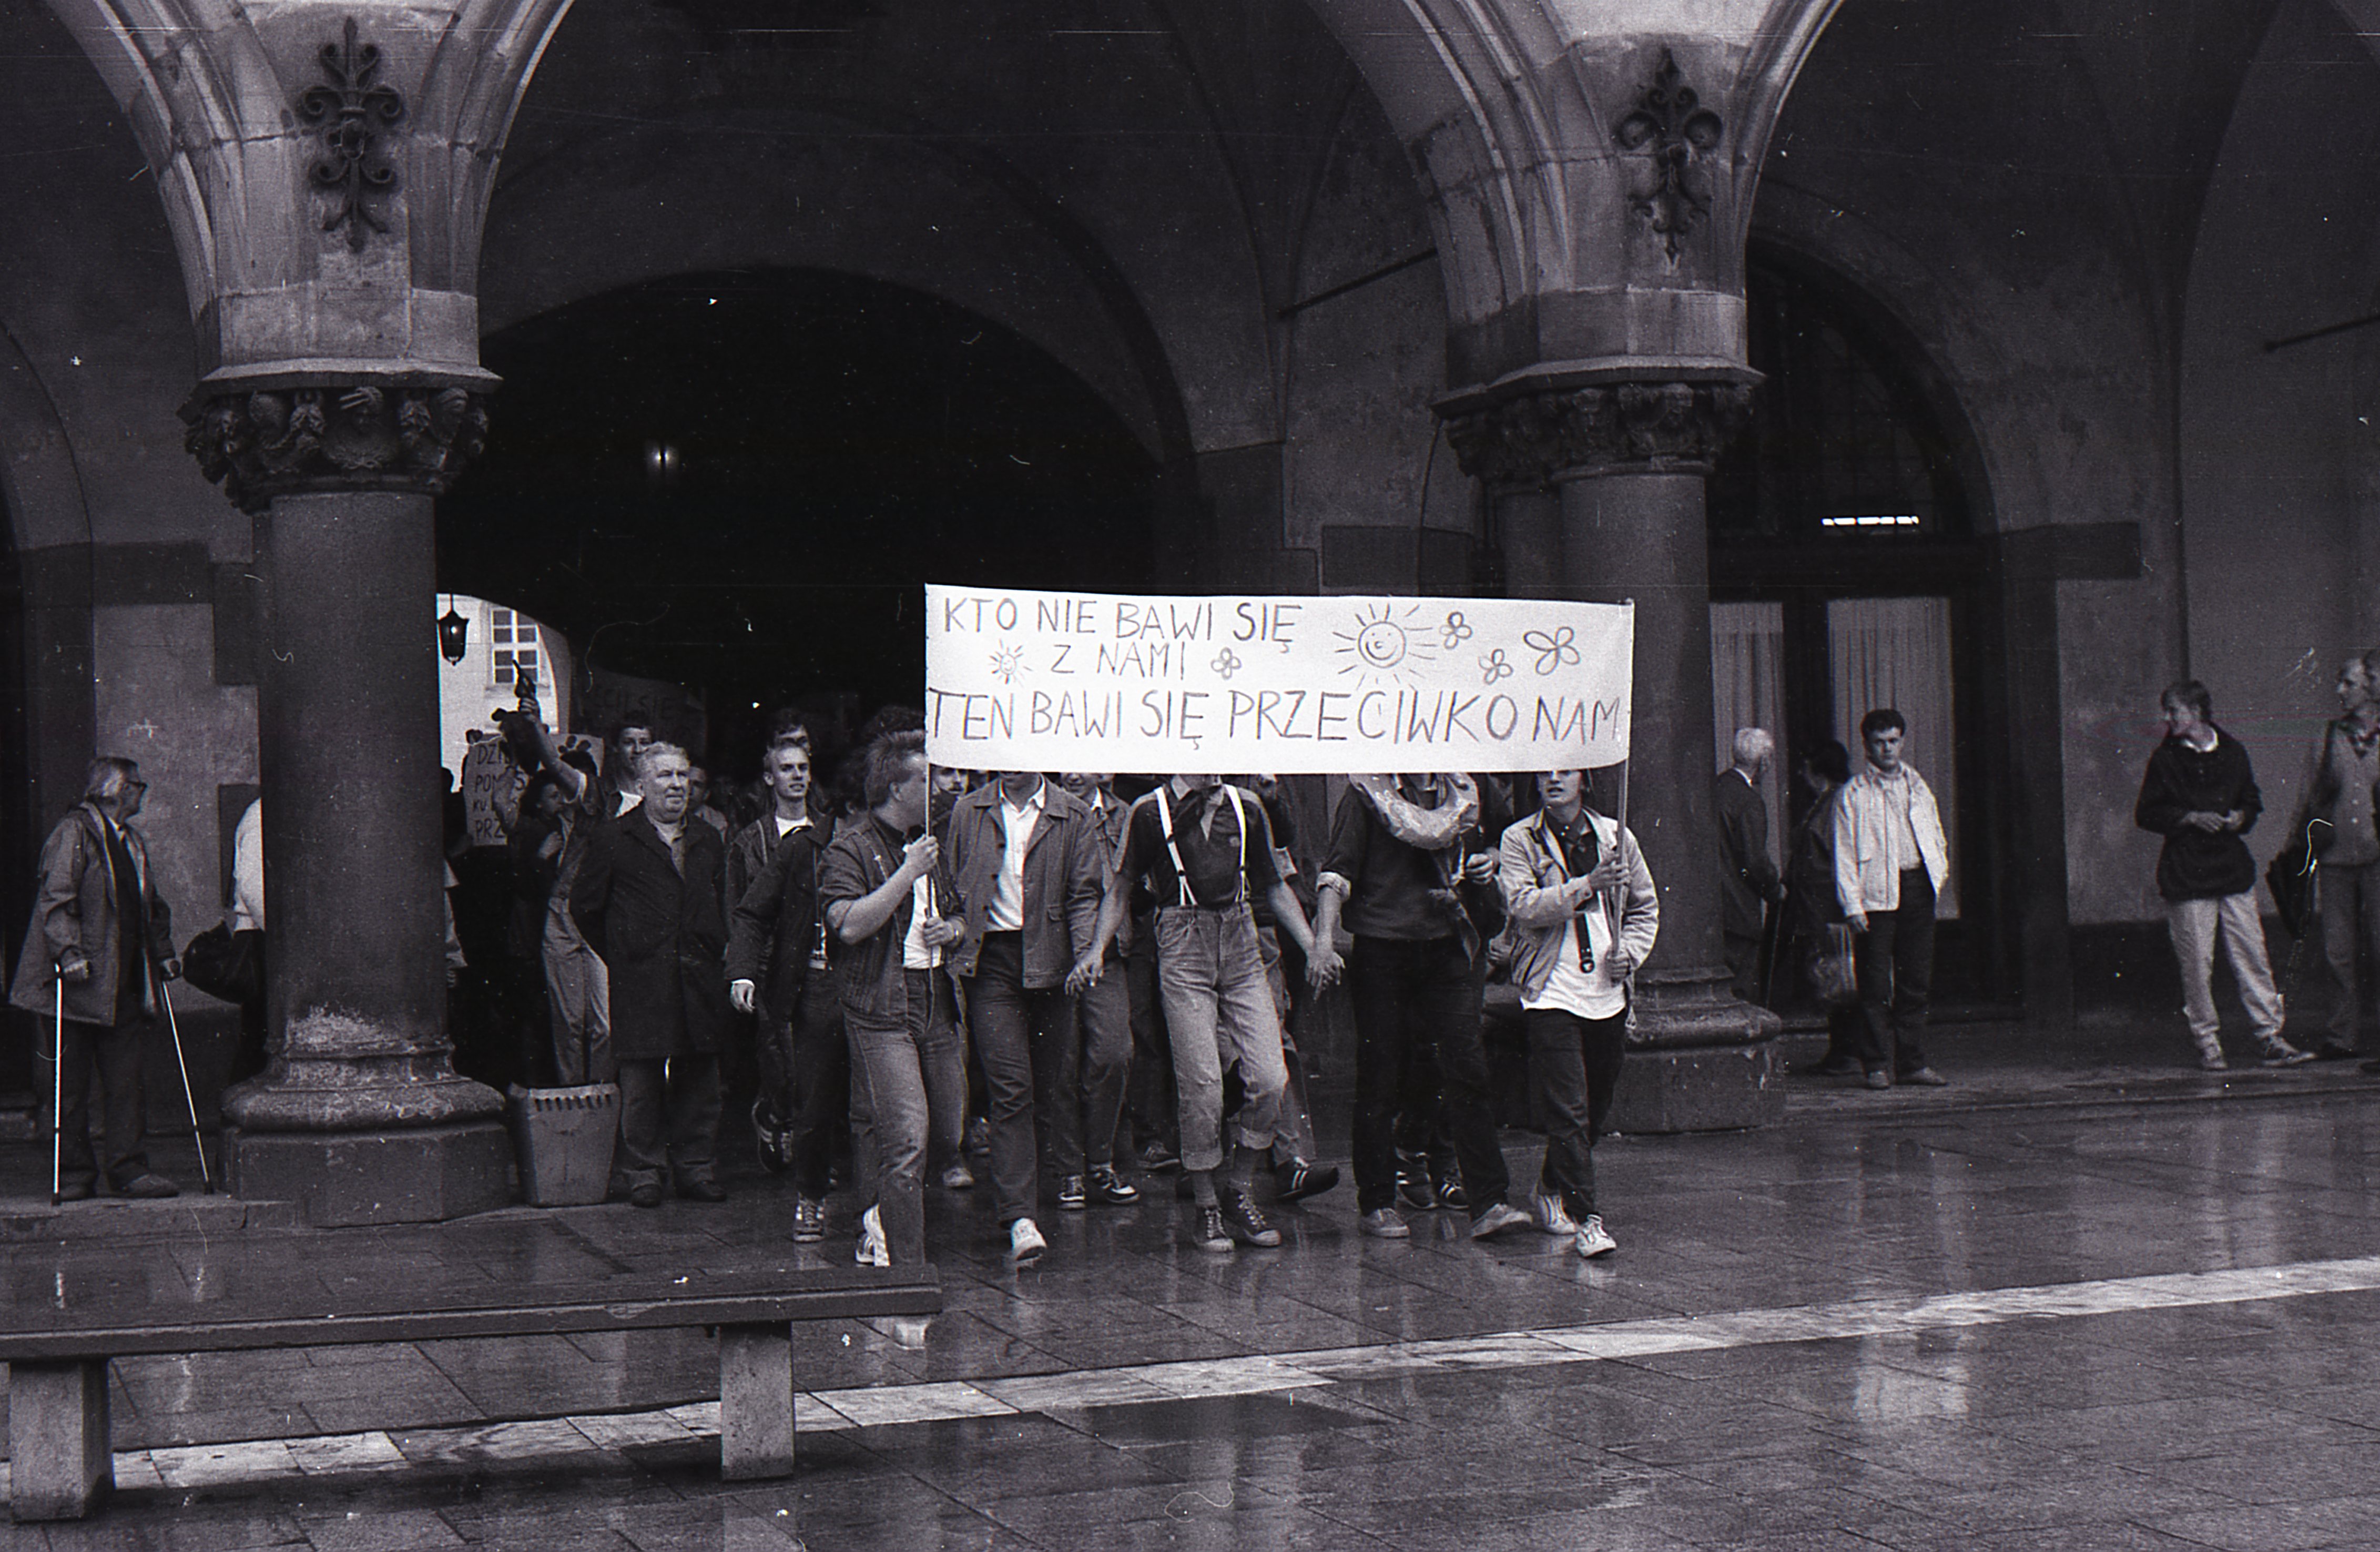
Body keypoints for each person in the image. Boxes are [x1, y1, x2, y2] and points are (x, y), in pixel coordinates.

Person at [1069, 774, 1325, 1254]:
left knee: (1270, 1077)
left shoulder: (1246, 806)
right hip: (1182, 944)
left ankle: (1239, 1189)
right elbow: (1121, 887)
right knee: (1203, 1084)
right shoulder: (1151, 811)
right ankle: (1206, 1205)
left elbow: (1274, 885)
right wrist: (1096, 949)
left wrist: (1314, 946)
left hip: (1241, 941)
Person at [1313, 773, 1533, 1243]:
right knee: (1380, 1073)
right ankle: (1377, 1201)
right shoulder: (1365, 792)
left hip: (1450, 943)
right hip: (1383, 947)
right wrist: (1322, 940)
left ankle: (1489, 1201)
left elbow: (1502, 837)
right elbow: (1337, 872)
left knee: (1467, 1065)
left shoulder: (1472, 782)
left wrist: (1489, 861)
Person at [820, 730, 968, 1270]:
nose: (939, 789)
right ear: (896, 787)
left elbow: (958, 912)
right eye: (927, 779)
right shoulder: (850, 848)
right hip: (882, 1005)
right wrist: (907, 873)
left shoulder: (929, 841)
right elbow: (848, 925)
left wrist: (952, 929)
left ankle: (879, 1223)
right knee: (906, 1137)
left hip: (934, 997)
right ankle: (907, 1270)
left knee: (948, 1130)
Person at [1497, 768, 1658, 1258]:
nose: (1554, 779)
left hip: (1606, 991)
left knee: (1596, 1103)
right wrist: (1587, 884)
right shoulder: (1520, 838)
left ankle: (1551, 1184)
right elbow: (1524, 905)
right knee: (1568, 1106)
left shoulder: (1615, 836)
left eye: (1565, 771)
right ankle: (1587, 1218)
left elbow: (1644, 907)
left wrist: (1631, 953)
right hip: (1551, 990)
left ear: (1584, 778)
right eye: (1545, 772)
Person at [946, 769, 1108, 1251]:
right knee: (1010, 1085)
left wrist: (1085, 952)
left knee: (1045, 1084)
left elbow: (1084, 892)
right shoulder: (969, 809)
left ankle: (1026, 1195)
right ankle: (1019, 1216)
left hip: (1052, 961)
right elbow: (951, 884)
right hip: (989, 961)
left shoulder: (1071, 813)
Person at [9, 757, 181, 1199]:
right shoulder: (75, 832)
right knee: (71, 1086)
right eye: (138, 784)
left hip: (123, 982)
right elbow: (56, 898)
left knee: (127, 1082)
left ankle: (129, 1170)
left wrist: (163, 953)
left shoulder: (132, 842)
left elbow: (151, 907)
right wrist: (68, 952)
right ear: (117, 789)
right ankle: (74, 1175)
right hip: (76, 985)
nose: (143, 792)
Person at [570, 743, 734, 1207]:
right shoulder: (614, 837)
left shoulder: (707, 838)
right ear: (642, 785)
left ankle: (695, 1167)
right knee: (641, 1079)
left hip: (698, 973)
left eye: (682, 775)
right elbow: (584, 906)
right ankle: (643, 1171)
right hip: (641, 977)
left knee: (700, 1077)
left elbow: (723, 900)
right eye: (665, 776)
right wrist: (625, 952)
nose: (677, 784)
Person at [2138, 681, 2312, 1070]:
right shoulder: (2164, 759)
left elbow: (2251, 799)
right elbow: (2147, 812)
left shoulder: (2233, 752)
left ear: (2197, 712)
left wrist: (2240, 817)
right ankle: (2208, 1042)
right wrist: (2189, 817)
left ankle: (2270, 1036)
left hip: (2232, 870)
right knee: (2197, 962)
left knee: (2252, 953)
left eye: (2174, 710)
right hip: (2187, 873)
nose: (2167, 718)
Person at [728, 770, 841, 1242]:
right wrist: (743, 970)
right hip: (814, 984)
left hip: (879, 985)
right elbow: (752, 911)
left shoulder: (910, 844)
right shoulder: (803, 848)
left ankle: (878, 1207)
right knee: (813, 1097)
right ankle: (811, 1196)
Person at [1835, 710, 1951, 1090]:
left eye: (1893, 740)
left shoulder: (1917, 786)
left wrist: (1938, 873)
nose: (1887, 748)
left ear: (1902, 741)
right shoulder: (1854, 794)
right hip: (1876, 894)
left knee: (1915, 980)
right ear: (1867, 746)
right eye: (1879, 742)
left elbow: (1935, 834)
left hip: (1917, 886)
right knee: (1874, 984)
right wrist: (1852, 904)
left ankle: (1912, 1063)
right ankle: (1875, 1064)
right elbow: (1844, 854)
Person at [1054, 771, 1147, 1208]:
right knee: (1061, 1059)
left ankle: (1101, 1159)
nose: (1072, 773)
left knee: (1113, 1051)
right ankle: (1069, 1169)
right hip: (1051, 948)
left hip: (1105, 950)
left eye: (1083, 762)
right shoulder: (1047, 808)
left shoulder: (1124, 815)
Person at [2293, 651, 2380, 1061]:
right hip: (2335, 859)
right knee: (2338, 951)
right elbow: (2307, 797)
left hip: (2378, 858)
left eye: (2349, 682)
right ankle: (2342, 1034)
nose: (2340, 690)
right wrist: (2297, 849)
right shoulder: (2327, 737)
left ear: (2370, 687)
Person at [1783, 741, 1862, 1077]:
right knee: (1833, 978)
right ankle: (1842, 1049)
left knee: (1841, 978)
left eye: (1807, 768)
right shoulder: (1828, 801)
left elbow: (1838, 857)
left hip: (1831, 908)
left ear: (1819, 770)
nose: (1803, 775)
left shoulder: (1837, 803)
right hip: (1819, 907)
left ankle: (1848, 1052)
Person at [1715, 728, 1785, 1002]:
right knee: (1742, 991)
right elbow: (1754, 860)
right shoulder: (1749, 800)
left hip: (1712, 907)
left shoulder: (1714, 789)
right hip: (1739, 907)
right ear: (1764, 761)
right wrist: (1774, 889)